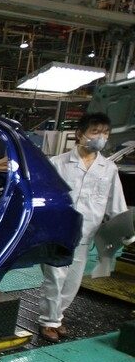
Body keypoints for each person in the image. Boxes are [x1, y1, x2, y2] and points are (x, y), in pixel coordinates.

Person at [39, 113, 127, 343]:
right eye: (95, 132)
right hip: (58, 234)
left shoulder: (108, 169)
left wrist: (126, 232)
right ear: (80, 134)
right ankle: (49, 321)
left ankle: (57, 316)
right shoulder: (58, 163)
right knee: (55, 278)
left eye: (105, 133)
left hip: (86, 235)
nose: (100, 137)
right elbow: (45, 197)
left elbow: (116, 205)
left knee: (72, 282)